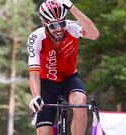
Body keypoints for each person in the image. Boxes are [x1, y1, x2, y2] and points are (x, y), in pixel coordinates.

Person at [27, 0, 99, 134]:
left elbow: (94, 35)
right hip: (46, 85)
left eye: (62, 23)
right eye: (53, 25)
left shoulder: (71, 27)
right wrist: (36, 96)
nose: (59, 28)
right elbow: (34, 74)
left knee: (80, 101)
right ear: (44, 24)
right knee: (44, 132)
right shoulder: (36, 38)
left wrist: (71, 7)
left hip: (69, 79)